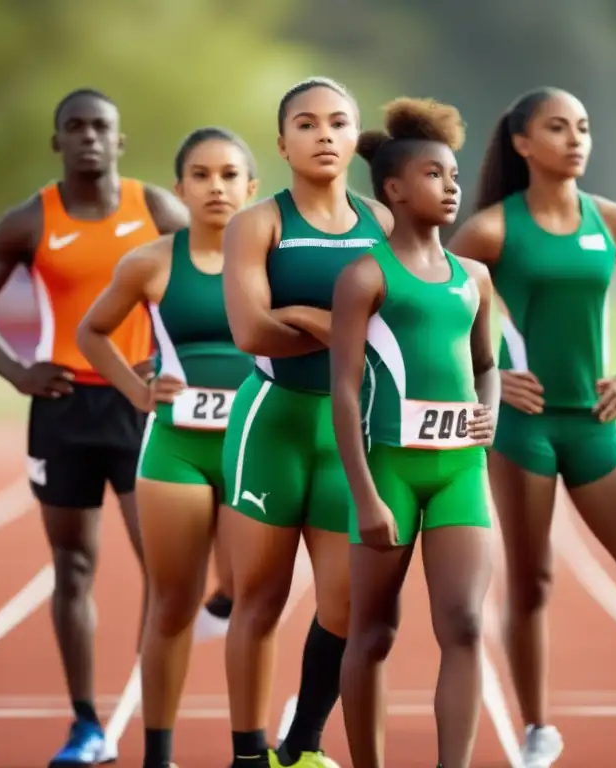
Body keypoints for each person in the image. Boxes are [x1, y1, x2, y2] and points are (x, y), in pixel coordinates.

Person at [447, 87, 616, 768]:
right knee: (532, 581)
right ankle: (536, 731)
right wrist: (485, 379)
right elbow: (433, 309)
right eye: (558, 127)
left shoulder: (615, 223)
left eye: (582, 126)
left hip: (593, 424)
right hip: (523, 430)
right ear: (524, 143)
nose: (576, 138)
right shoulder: (491, 230)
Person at [0, 88, 189, 767]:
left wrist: (173, 357)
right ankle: (86, 724)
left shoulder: (159, 211)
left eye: (100, 126)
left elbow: (214, 280)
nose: (88, 137)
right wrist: (15, 371)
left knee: (164, 570)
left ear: (121, 141)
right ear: (58, 141)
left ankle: (152, 712)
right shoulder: (31, 221)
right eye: (74, 127)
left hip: (139, 406)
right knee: (73, 566)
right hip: (62, 410)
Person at [219, 77, 392, 768]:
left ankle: (302, 744)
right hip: (273, 426)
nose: (324, 134)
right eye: (307, 123)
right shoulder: (258, 223)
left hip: (349, 433)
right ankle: (247, 756)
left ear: (355, 138)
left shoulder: (381, 222)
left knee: (346, 609)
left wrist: (311, 319)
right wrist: (343, 332)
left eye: (338, 122)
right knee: (257, 600)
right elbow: (251, 331)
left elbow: (398, 324)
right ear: (283, 141)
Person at [77, 127, 259, 768]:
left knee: (248, 594)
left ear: (251, 188)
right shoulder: (152, 262)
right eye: (202, 175)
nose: (216, 187)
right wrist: (134, 390)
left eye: (230, 175)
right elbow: (92, 330)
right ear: (180, 189)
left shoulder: (275, 262)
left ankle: (250, 751)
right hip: (176, 447)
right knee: (171, 603)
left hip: (254, 447)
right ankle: (159, 754)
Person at [331, 97, 499, 768]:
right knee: (372, 632)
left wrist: (487, 413)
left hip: (460, 468)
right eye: (435, 174)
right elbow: (344, 390)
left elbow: (486, 366)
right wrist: (366, 495)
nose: (452, 186)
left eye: (455, 174)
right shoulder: (365, 276)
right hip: (388, 467)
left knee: (462, 623)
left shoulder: (475, 278)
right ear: (394, 190)